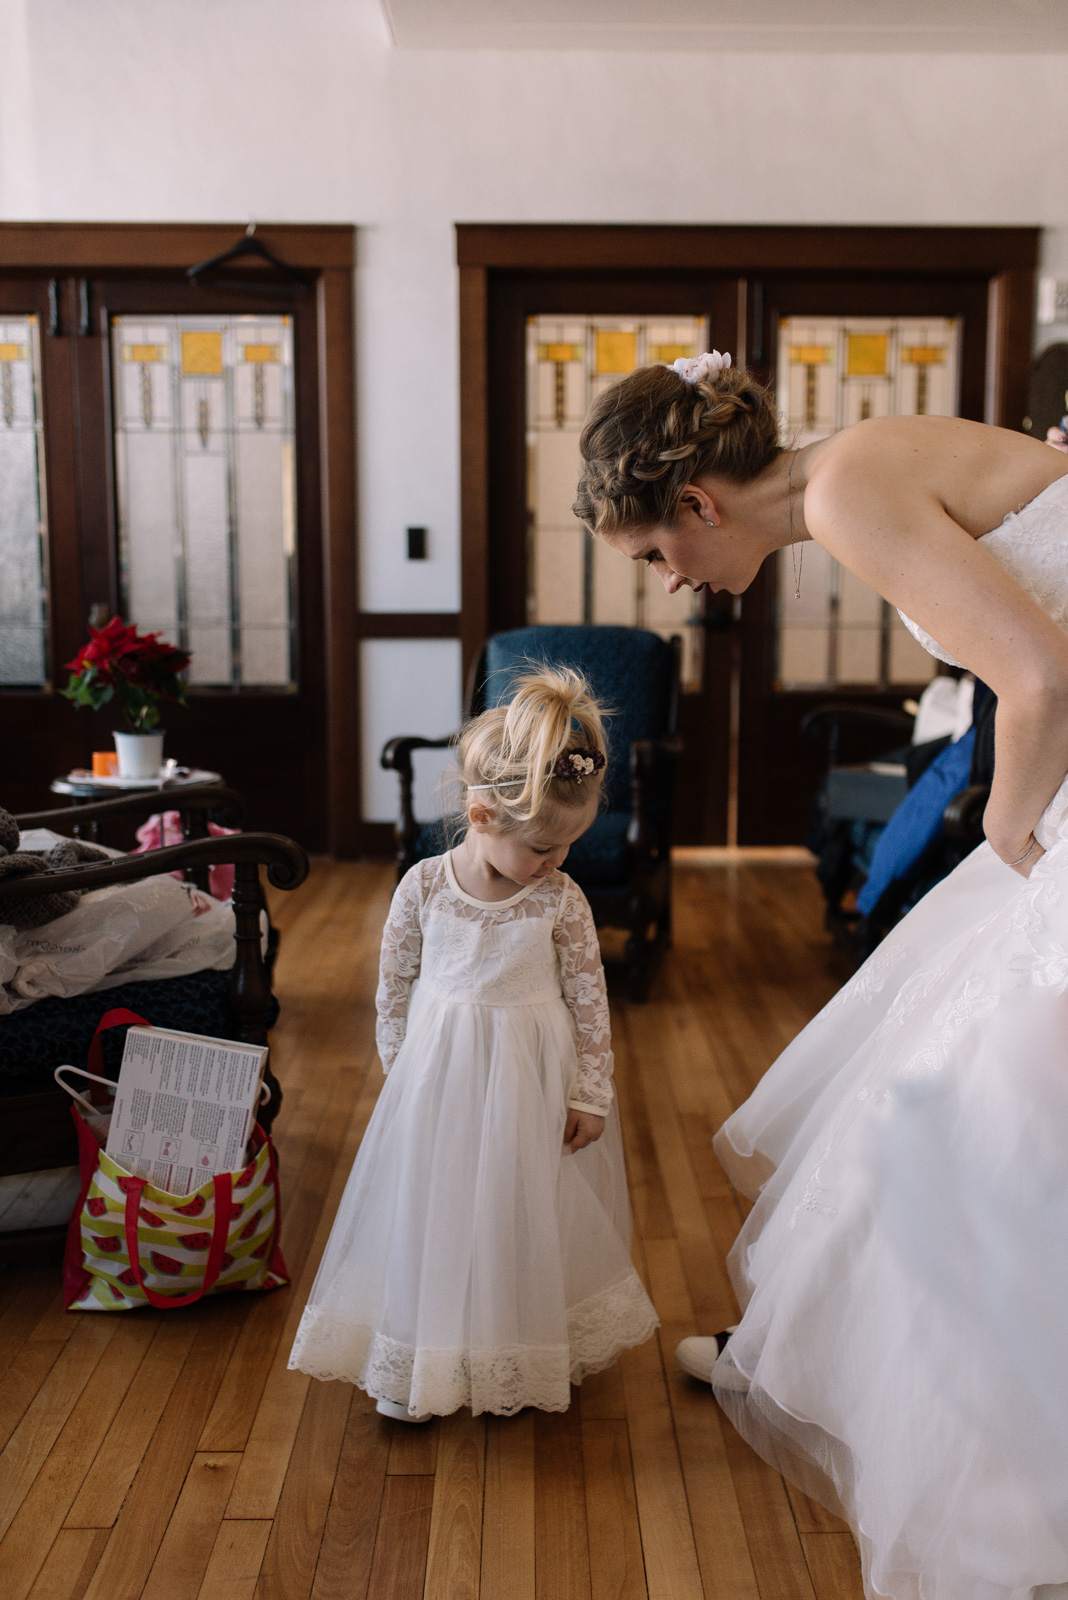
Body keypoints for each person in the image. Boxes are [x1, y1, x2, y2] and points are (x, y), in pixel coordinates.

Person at [574, 351, 1068, 1600]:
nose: (675, 585)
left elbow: (1045, 675)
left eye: (654, 556)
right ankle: (811, 1352)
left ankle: (974, 1439)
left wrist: (1009, 837)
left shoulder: (849, 489)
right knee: (937, 1071)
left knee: (983, 1081)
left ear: (698, 501)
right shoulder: (853, 474)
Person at [288, 666, 658, 1420]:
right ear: (481, 813)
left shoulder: (562, 900)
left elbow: (590, 998)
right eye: (542, 849)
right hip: (441, 1078)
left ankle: (514, 1347)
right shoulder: (424, 887)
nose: (556, 863)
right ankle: (419, 1358)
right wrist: (405, 1070)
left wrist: (591, 1092)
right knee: (436, 1208)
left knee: (518, 1208)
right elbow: (394, 982)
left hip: (530, 1077)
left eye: (567, 848)